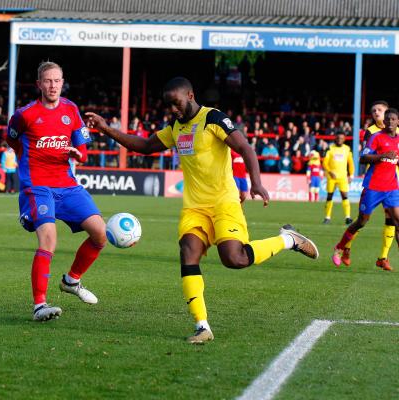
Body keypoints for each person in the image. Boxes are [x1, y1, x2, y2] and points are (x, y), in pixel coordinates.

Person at [85, 77, 319, 344]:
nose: (172, 110)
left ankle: (288, 239)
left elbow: (245, 147)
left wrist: (256, 182)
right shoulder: (175, 127)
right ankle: (202, 326)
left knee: (235, 259)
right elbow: (146, 146)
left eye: (176, 103)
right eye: (168, 105)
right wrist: (106, 129)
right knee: (188, 252)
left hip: (223, 202)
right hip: (194, 207)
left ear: (190, 95)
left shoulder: (213, 119)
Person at [7, 61, 107, 322]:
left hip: (67, 184)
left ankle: (71, 281)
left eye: (57, 81)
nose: (53, 86)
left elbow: (82, 148)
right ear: (39, 84)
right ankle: (39, 305)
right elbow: (11, 139)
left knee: (100, 234)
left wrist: (78, 154)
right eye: (48, 81)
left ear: (63, 82)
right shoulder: (25, 114)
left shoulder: (71, 109)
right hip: (37, 186)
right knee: (49, 239)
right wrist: (25, 159)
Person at [332, 108, 399, 271]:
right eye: (387, 119)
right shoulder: (377, 137)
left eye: (393, 119)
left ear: (398, 122)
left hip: (392, 187)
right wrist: (381, 156)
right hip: (373, 187)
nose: (390, 122)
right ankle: (340, 247)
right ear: (384, 121)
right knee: (362, 221)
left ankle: (383, 258)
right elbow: (363, 158)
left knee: (398, 222)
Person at [322, 133, 354, 225]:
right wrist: (329, 171)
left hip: (343, 177)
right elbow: (325, 163)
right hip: (331, 177)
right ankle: (327, 217)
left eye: (342, 138)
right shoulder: (330, 148)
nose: (340, 139)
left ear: (344, 139)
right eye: (338, 138)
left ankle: (348, 217)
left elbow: (350, 163)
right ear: (335, 138)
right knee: (329, 196)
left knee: (345, 196)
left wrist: (351, 175)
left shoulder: (347, 149)